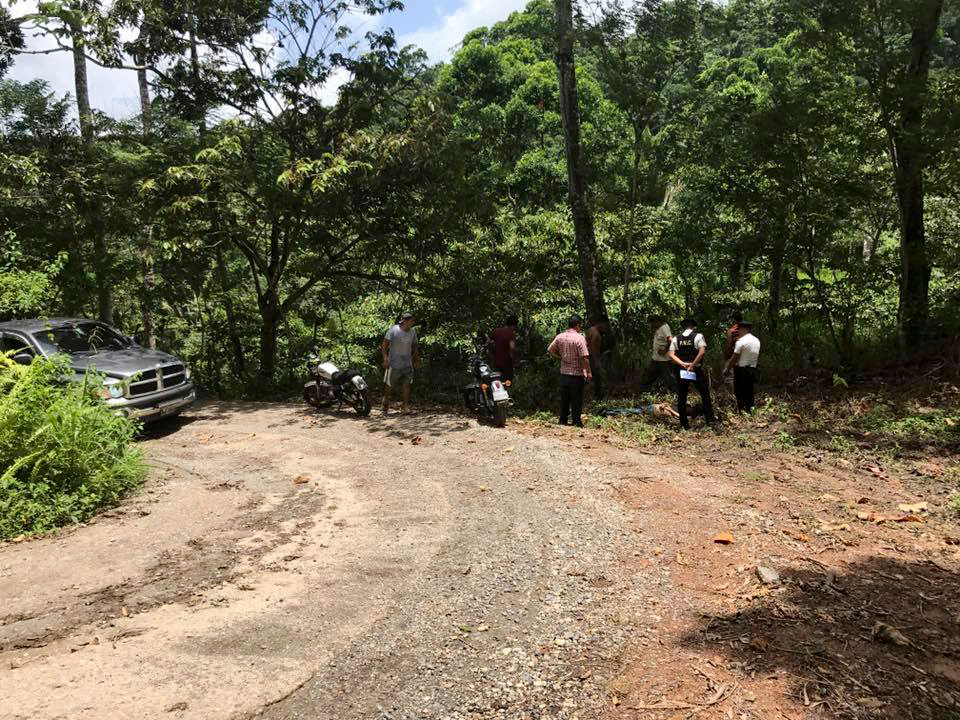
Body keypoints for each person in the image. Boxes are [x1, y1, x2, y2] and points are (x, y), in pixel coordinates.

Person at [667, 317, 716, 429]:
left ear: (683, 327)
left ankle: (684, 424)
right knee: (704, 394)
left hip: (681, 370)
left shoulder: (676, 338)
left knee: (682, 396)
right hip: (695, 369)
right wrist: (693, 365)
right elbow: (702, 351)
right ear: (693, 327)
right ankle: (710, 420)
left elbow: (670, 354)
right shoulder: (698, 336)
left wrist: (683, 364)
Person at [547, 315, 592, 427]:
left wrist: (560, 356)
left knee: (564, 398)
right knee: (576, 398)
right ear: (578, 325)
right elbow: (585, 357)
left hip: (564, 373)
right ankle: (576, 421)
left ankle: (563, 419)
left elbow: (550, 349)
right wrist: (589, 372)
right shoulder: (580, 338)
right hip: (576, 374)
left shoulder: (560, 337)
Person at [381, 312, 420, 415]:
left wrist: (416, 359)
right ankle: (385, 404)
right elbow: (384, 345)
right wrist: (385, 359)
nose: (413, 323)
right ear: (405, 321)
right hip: (393, 363)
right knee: (389, 385)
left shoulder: (413, 332)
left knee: (407, 385)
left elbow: (415, 346)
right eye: (412, 321)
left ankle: (405, 406)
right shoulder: (393, 330)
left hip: (407, 363)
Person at [724, 320, 760, 413]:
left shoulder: (741, 341)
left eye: (739, 329)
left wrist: (727, 368)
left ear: (744, 329)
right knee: (749, 391)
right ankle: (750, 410)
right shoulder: (756, 340)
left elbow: (734, 357)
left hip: (741, 370)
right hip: (753, 369)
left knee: (739, 392)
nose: (738, 331)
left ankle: (741, 411)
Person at [637, 315, 675, 392]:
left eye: (652, 323)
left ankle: (677, 393)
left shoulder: (664, 327)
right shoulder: (659, 328)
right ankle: (643, 392)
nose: (652, 325)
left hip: (664, 360)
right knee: (648, 376)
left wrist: (665, 350)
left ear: (657, 322)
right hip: (656, 359)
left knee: (669, 379)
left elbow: (671, 340)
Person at [585, 314, 611, 399]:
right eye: (605, 325)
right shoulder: (596, 334)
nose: (606, 328)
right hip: (592, 359)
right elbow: (593, 350)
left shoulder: (590, 330)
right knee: (597, 380)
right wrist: (596, 362)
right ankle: (597, 398)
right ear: (601, 323)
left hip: (586, 358)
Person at [489, 315, 519, 382]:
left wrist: (491, 356)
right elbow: (512, 348)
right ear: (514, 325)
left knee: (496, 382)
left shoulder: (496, 331)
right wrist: (515, 360)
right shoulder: (510, 334)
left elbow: (490, 344)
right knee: (507, 383)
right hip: (506, 363)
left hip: (496, 363)